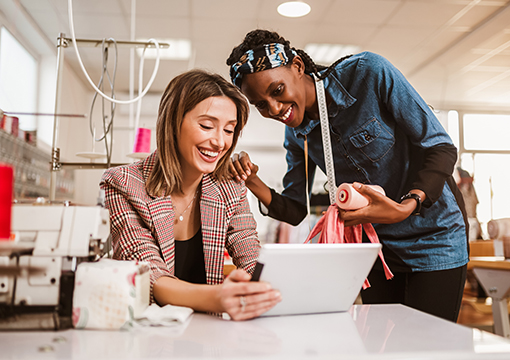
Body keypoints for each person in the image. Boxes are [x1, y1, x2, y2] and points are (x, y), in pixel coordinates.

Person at [226, 29, 469, 322]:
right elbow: (295, 210)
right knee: (381, 347)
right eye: (261, 104)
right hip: (376, 251)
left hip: (434, 237)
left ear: (298, 67)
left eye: (277, 91)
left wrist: (405, 207)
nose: (275, 109)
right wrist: (251, 180)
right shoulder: (297, 135)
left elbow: (440, 147)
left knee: (430, 348)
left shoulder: (368, 74)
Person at [100, 69, 281, 320]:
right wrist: (217, 297)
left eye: (229, 130)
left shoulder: (229, 187)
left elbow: (251, 256)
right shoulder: (123, 184)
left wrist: (266, 286)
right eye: (207, 126)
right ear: (174, 123)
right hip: (145, 332)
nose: (220, 142)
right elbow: (149, 274)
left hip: (206, 336)